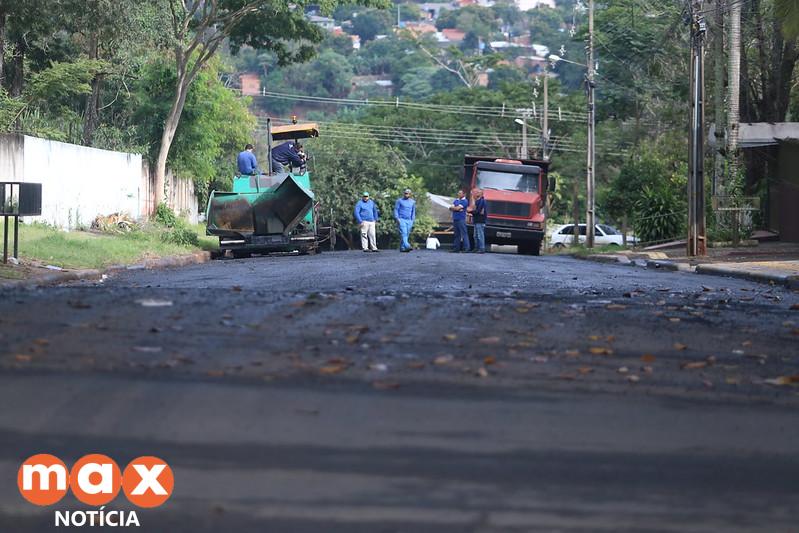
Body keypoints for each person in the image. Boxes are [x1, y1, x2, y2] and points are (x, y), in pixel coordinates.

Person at [394, 188, 416, 252]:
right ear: (404, 193)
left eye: (408, 193)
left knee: (407, 234)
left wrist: (412, 219)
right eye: (405, 193)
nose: (406, 194)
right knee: (404, 233)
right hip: (401, 219)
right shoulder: (399, 201)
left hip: (409, 220)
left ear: (410, 194)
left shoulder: (412, 202)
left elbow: (413, 211)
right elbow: (396, 209)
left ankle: (402, 247)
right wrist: (397, 218)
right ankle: (407, 245)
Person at [469, 188, 487, 253]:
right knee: (475, 235)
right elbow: (475, 209)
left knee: (480, 235)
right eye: (476, 192)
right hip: (476, 220)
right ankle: (476, 247)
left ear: (481, 194)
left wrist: (471, 212)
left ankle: (482, 248)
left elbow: (479, 211)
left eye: (478, 192)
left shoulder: (482, 201)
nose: (477, 193)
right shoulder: (477, 201)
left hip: (480, 220)